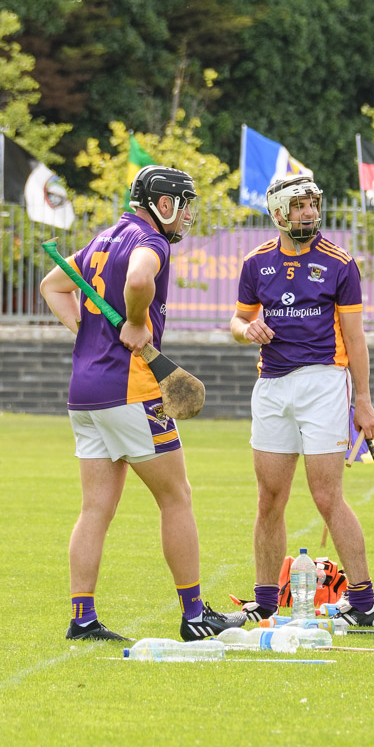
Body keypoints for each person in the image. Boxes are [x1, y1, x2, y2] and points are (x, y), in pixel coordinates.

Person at [39, 165, 231, 642]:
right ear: (162, 203)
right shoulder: (152, 242)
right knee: (176, 496)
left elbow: (51, 286)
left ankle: (82, 618)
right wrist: (137, 319)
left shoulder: (103, 239)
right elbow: (142, 279)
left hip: (84, 395)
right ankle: (193, 616)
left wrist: (90, 334)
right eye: (183, 204)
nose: (186, 214)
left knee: (95, 509)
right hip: (132, 391)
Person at [226, 175, 374, 626]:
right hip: (271, 386)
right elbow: (238, 320)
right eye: (299, 206)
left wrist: (364, 401)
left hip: (323, 384)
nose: (309, 212)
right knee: (269, 498)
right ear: (277, 213)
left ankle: (363, 600)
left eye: (313, 203)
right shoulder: (256, 264)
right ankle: (266, 602)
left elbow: (355, 338)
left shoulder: (340, 263)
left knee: (326, 495)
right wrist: (245, 330)